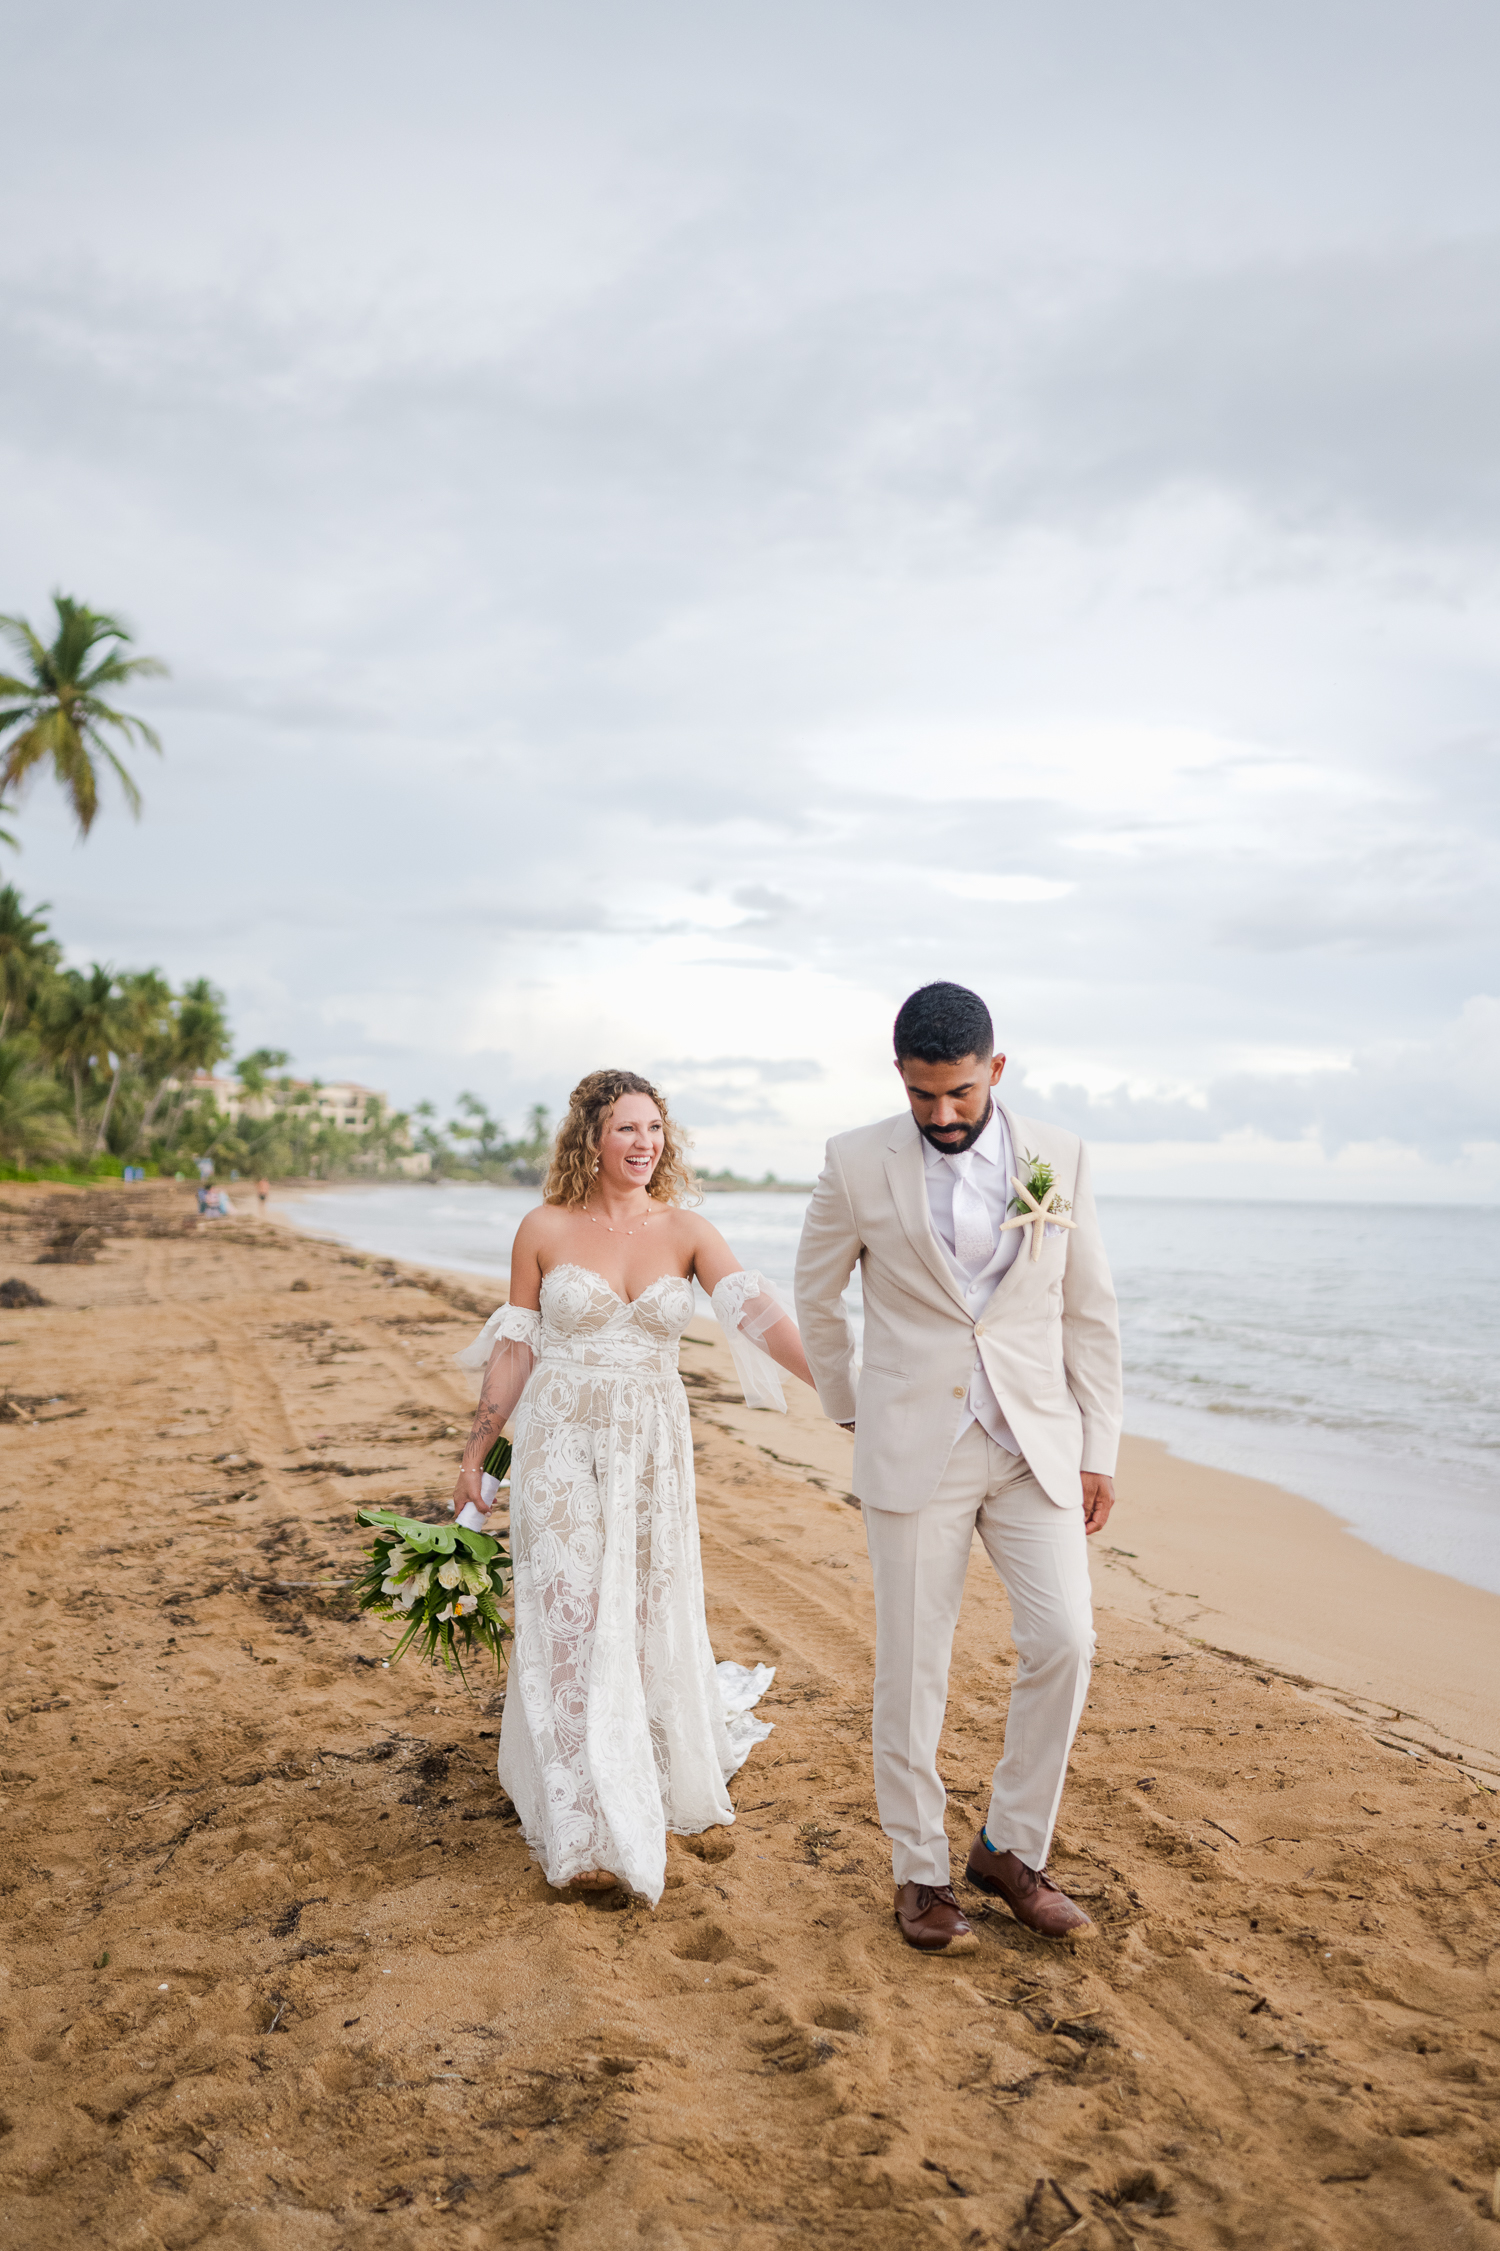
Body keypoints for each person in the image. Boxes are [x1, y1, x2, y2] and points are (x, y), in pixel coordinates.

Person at [794, 982, 1123, 1957]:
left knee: (1066, 1638)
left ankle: (1009, 1849)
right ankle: (921, 1871)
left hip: (1034, 1445)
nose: (942, 1115)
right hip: (913, 1448)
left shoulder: (1058, 1156)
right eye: (923, 1095)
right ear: (900, 1075)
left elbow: (1089, 1308)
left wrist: (1099, 1445)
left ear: (997, 1071)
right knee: (912, 1665)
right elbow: (818, 1295)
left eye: (962, 1095)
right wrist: (849, 1405)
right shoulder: (855, 1161)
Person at [452, 1068, 815, 1904]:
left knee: (645, 1606)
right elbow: (516, 1348)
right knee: (569, 1610)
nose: (644, 1142)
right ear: (590, 1137)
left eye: (654, 1127)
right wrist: (477, 1449)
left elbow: (753, 1310)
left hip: (651, 1448)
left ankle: (640, 1758)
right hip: (559, 1441)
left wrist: (842, 1386)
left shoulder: (687, 1228)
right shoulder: (542, 1228)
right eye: (625, 1129)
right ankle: (582, 1824)